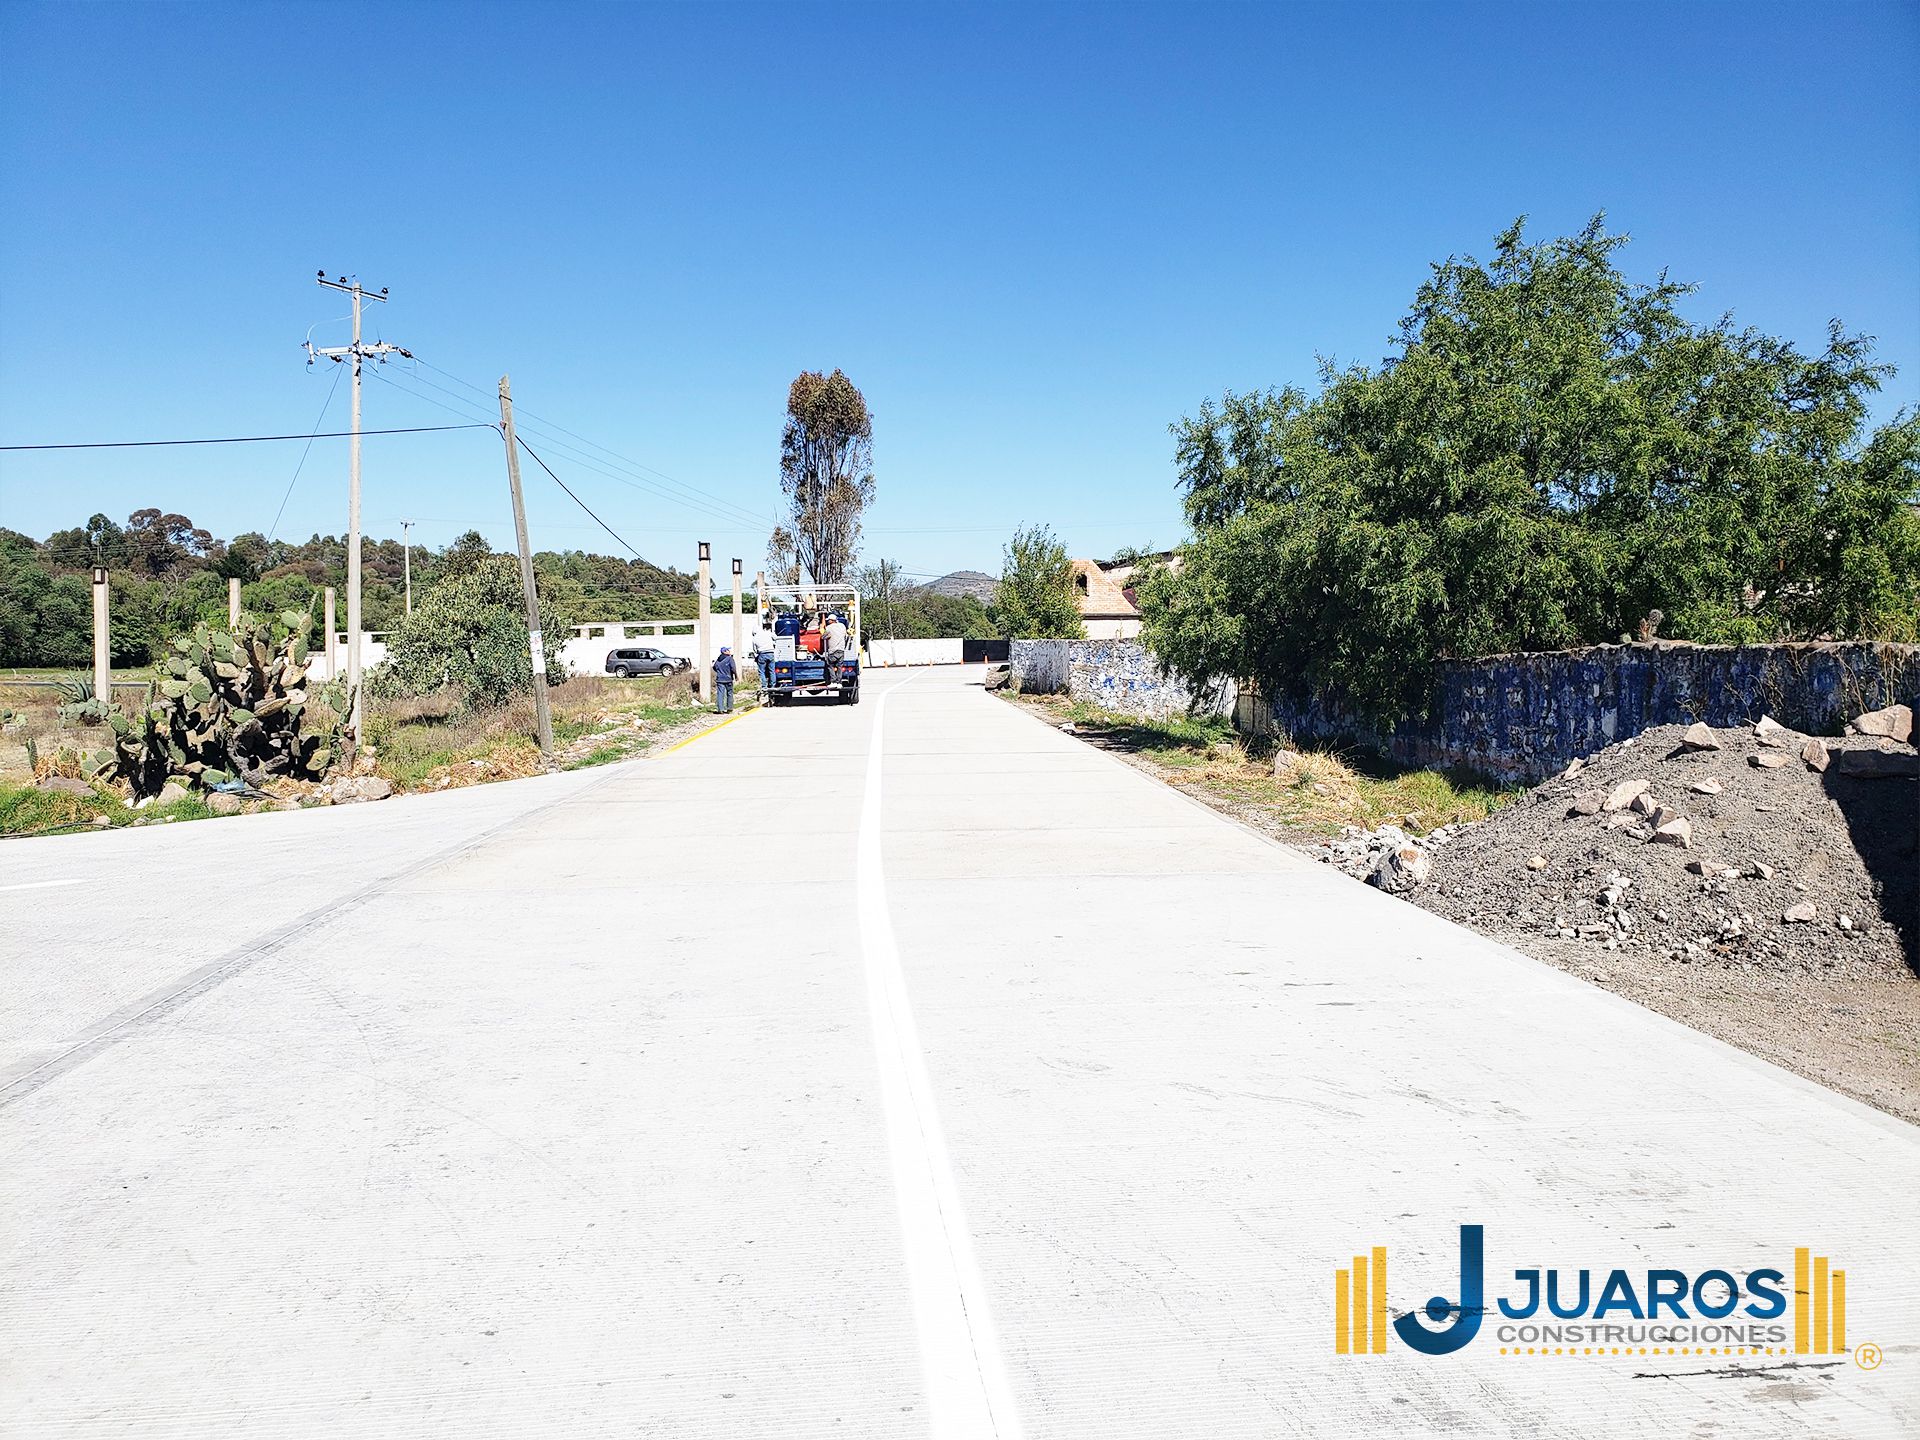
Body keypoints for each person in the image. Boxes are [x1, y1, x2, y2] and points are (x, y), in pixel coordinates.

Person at [820, 612, 849, 687]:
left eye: (828, 620)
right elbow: (845, 635)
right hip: (841, 650)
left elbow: (823, 637)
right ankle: (839, 683)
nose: (828, 621)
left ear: (831, 620)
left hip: (833, 650)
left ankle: (833, 682)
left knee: (831, 666)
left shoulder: (829, 628)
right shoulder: (842, 626)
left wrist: (821, 629)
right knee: (839, 667)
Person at [712, 646, 737, 714]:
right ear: (725, 651)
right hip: (728, 679)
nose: (729, 651)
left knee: (720, 694)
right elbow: (733, 668)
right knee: (729, 693)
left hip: (720, 679)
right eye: (728, 650)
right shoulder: (730, 658)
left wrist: (719, 672)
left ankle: (720, 709)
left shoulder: (718, 659)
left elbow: (714, 667)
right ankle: (729, 708)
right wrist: (736, 675)